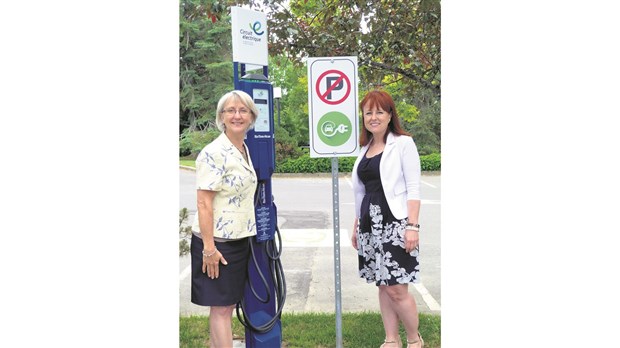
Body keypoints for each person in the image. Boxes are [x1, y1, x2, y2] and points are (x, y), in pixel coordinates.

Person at [350, 90, 424, 348]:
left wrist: (412, 226)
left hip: (395, 224)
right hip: (370, 224)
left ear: (390, 114)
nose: (373, 117)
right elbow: (360, 191)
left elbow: (414, 188)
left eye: (379, 111)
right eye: (368, 112)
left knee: (397, 288)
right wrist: (357, 225)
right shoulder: (365, 148)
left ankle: (414, 339)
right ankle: (391, 339)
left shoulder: (403, 143)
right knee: (382, 285)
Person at [190, 90, 259, 347]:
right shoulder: (214, 152)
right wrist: (209, 248)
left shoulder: (242, 148)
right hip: (217, 243)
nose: (237, 115)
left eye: (243, 110)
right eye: (230, 110)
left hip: (238, 239)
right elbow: (204, 202)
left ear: (252, 116)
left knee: (227, 305)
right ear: (221, 116)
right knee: (221, 309)